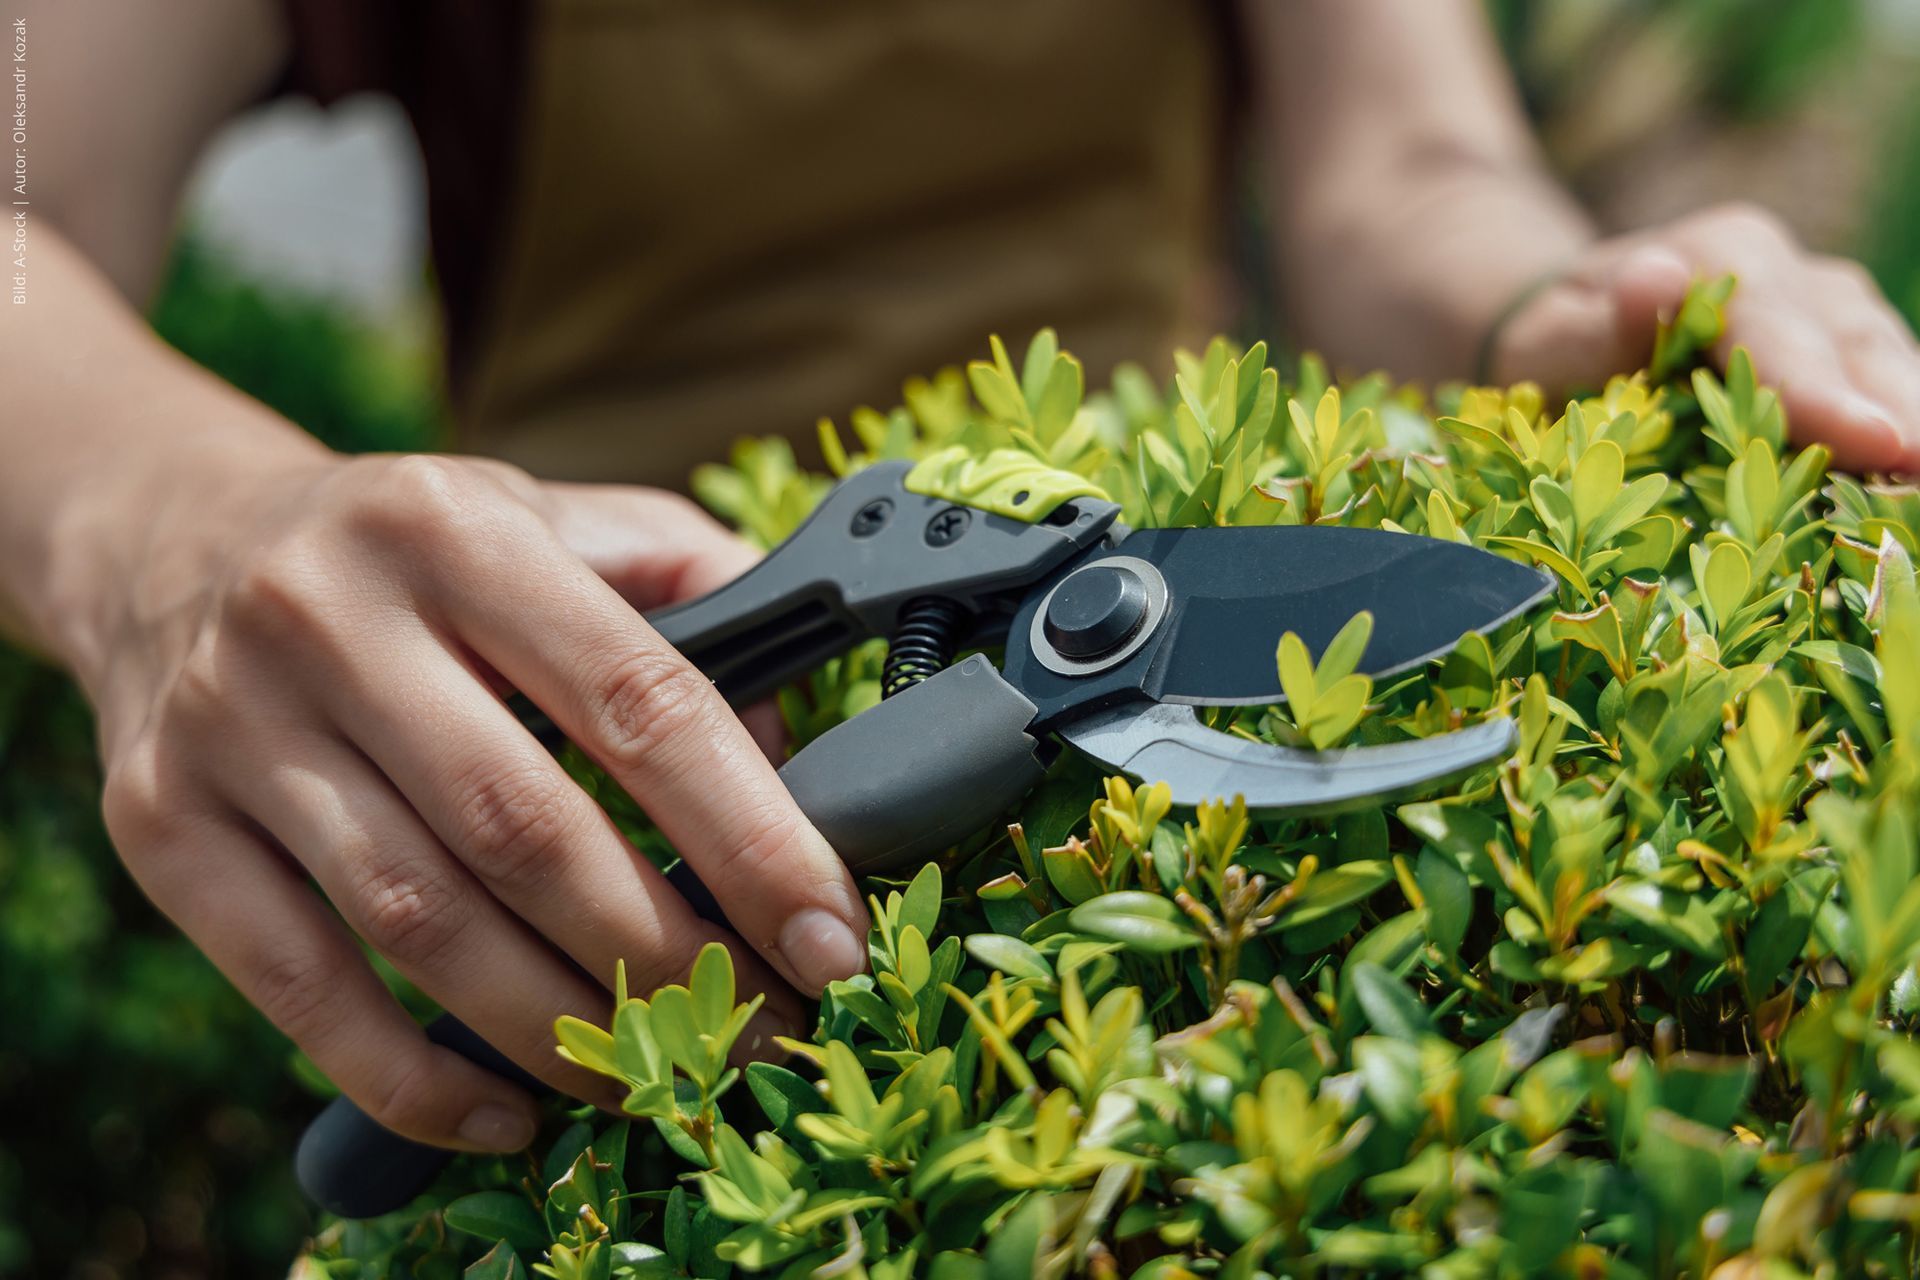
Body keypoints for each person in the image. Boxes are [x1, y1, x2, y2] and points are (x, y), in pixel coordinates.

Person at [2, 0, 1914, 1159]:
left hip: (1119, 581)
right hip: (556, 691)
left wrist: (1544, 310)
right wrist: (165, 516)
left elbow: (1408, 174)